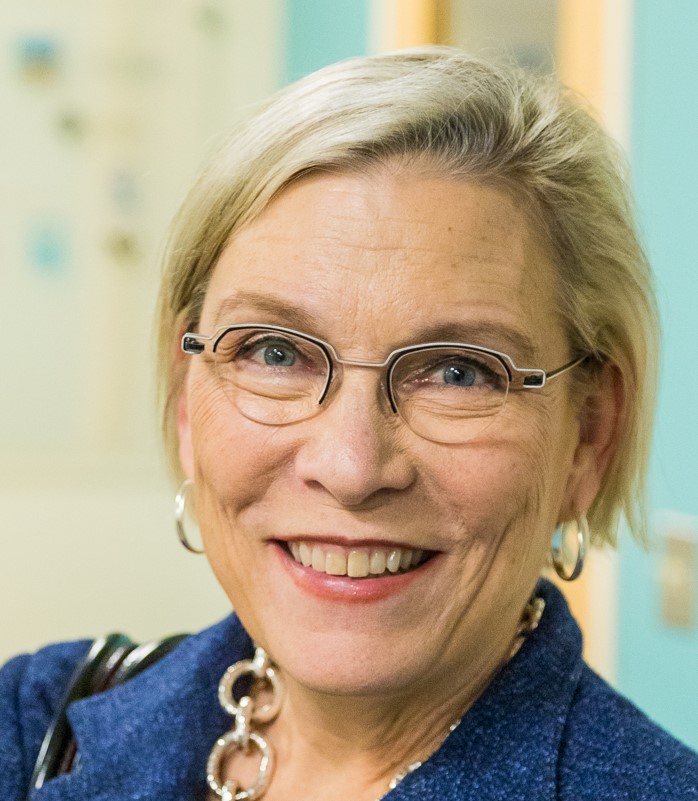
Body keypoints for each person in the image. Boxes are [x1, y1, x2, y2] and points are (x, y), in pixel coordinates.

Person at [2, 46, 697, 801]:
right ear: (185, 400)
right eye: (275, 352)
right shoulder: (37, 727)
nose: (352, 466)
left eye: (458, 372)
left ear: (588, 435)